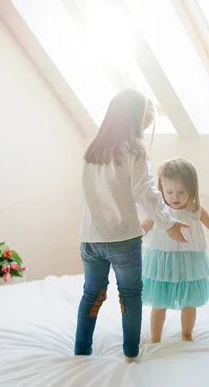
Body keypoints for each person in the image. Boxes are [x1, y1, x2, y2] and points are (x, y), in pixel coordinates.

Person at [75, 89, 190, 363]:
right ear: (135, 118)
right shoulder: (134, 149)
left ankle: (81, 351)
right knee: (130, 294)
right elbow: (146, 193)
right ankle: (130, 353)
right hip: (123, 237)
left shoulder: (93, 150)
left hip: (90, 238)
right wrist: (169, 223)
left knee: (91, 293)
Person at [140, 158, 209, 343]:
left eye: (181, 192)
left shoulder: (196, 209)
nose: (175, 197)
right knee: (159, 303)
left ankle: (187, 334)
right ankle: (155, 337)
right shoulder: (158, 209)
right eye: (169, 191)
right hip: (162, 263)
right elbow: (143, 228)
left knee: (189, 304)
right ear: (161, 189)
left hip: (188, 264)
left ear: (192, 190)